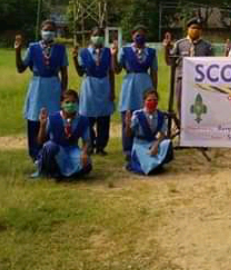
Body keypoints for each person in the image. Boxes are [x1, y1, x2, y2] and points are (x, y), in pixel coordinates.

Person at [15, 20, 68, 163]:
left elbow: (64, 72)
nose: (48, 32)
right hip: (37, 85)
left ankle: (53, 151)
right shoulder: (33, 48)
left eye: (51, 30)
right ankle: (35, 154)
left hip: (53, 85)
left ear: (55, 33)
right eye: (45, 30)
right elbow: (21, 68)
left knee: (54, 119)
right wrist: (18, 51)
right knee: (34, 118)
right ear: (40, 31)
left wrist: (63, 92)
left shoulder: (61, 49)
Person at [113, 25, 158, 160]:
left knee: (144, 114)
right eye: (137, 34)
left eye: (142, 34)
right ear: (132, 35)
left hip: (145, 83)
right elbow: (116, 70)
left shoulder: (151, 52)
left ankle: (143, 144)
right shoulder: (125, 50)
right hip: (129, 84)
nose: (140, 37)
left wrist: (153, 91)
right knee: (127, 115)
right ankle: (127, 148)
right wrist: (113, 56)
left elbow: (154, 73)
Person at [163, 17, 213, 128]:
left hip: (199, 81)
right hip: (182, 78)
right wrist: (166, 49)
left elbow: (212, 65)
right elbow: (169, 62)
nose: (196, 30)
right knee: (181, 104)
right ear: (188, 29)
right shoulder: (180, 44)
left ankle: (198, 127)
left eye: (198, 28)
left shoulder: (207, 46)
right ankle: (181, 128)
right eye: (193, 27)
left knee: (199, 105)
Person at [73, 27, 115, 155]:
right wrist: (75, 59)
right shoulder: (84, 53)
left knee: (104, 118)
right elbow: (80, 72)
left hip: (104, 85)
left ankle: (101, 146)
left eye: (101, 35)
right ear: (91, 36)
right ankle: (89, 143)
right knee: (87, 118)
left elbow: (112, 72)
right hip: (89, 85)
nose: (98, 37)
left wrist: (112, 90)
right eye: (96, 34)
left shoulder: (108, 52)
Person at [36, 90, 92, 179]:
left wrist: (84, 153)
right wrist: (42, 126)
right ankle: (52, 172)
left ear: (78, 103)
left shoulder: (83, 120)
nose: (70, 105)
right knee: (50, 146)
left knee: (87, 163)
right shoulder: (52, 118)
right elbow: (40, 141)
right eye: (67, 102)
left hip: (72, 150)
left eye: (73, 102)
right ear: (61, 104)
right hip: (56, 149)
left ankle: (64, 174)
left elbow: (87, 141)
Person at [125, 89, 174, 175]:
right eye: (149, 100)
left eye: (155, 100)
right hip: (140, 144)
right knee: (149, 165)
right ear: (144, 101)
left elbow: (162, 133)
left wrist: (156, 145)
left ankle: (157, 162)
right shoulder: (138, 115)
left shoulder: (160, 115)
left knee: (167, 143)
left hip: (153, 142)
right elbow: (129, 134)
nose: (152, 102)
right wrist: (128, 124)